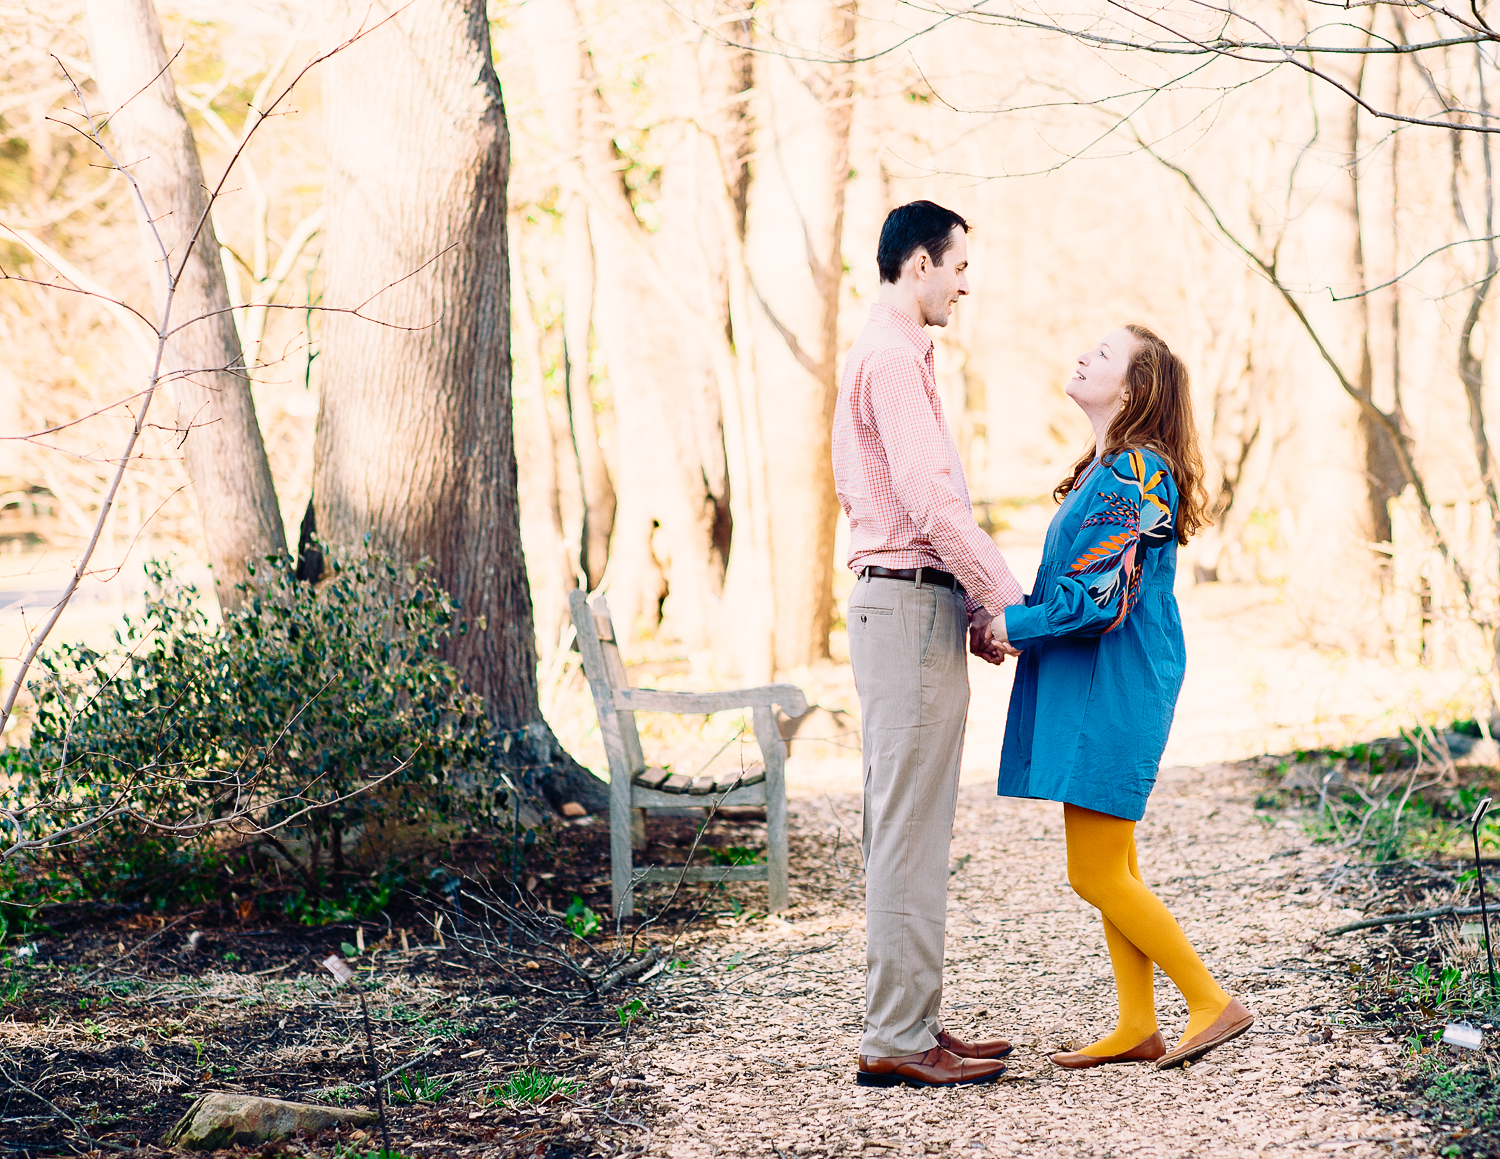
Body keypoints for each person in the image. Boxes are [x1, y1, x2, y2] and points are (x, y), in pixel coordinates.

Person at [978, 324, 1254, 1070]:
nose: (1082, 355)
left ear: (1132, 390)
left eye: (1102, 354)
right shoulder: (1113, 468)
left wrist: (1014, 623)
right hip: (1105, 680)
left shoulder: (1136, 472)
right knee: (1115, 865)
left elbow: (1100, 598)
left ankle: (1209, 1000)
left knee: (1093, 871)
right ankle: (1138, 1022)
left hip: (1117, 683)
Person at [833, 201, 1026, 1089]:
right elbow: (930, 503)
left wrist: (966, 602)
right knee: (908, 829)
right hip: (903, 609)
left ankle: (912, 1020)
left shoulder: (895, 355)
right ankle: (897, 1037)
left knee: (911, 825)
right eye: (956, 266)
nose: (963, 283)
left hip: (915, 608)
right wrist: (1004, 595)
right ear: (917, 263)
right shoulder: (891, 359)